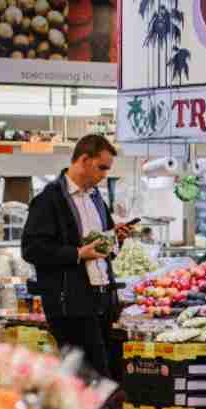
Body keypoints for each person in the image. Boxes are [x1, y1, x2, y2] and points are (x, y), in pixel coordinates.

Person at [22, 135, 128, 380]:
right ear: (83, 160)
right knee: (92, 378)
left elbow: (102, 244)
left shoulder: (96, 198)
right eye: (102, 167)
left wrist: (115, 238)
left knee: (109, 377)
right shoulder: (48, 200)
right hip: (70, 305)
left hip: (103, 301)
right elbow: (32, 249)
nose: (104, 174)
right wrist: (78, 254)